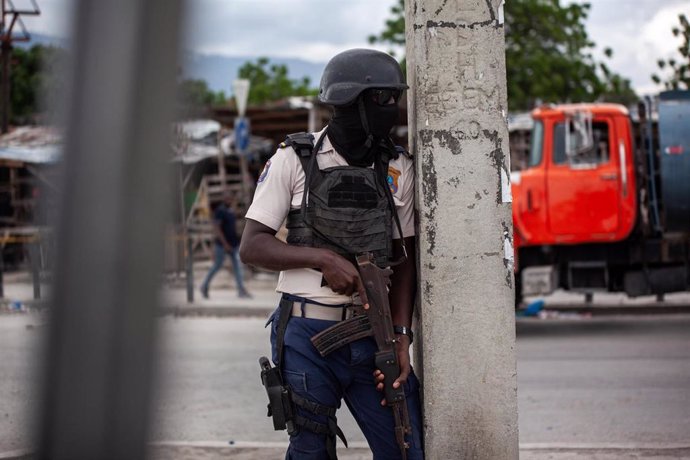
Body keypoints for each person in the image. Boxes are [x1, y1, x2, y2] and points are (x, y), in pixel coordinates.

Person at [240, 48, 423, 459]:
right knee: (310, 450)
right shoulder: (294, 159)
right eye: (382, 100)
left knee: (404, 448)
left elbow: (405, 258)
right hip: (306, 333)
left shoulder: (398, 167)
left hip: (373, 334)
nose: (391, 110)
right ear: (350, 103)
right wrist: (321, 259)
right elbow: (252, 245)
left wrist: (401, 337)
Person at [200, 194, 251, 299]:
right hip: (222, 245)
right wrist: (225, 244)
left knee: (238, 267)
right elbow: (217, 229)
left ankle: (241, 290)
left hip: (233, 244)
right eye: (227, 198)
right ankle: (204, 286)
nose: (229, 200)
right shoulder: (220, 211)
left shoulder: (231, 211)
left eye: (231, 199)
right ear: (224, 199)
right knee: (217, 266)